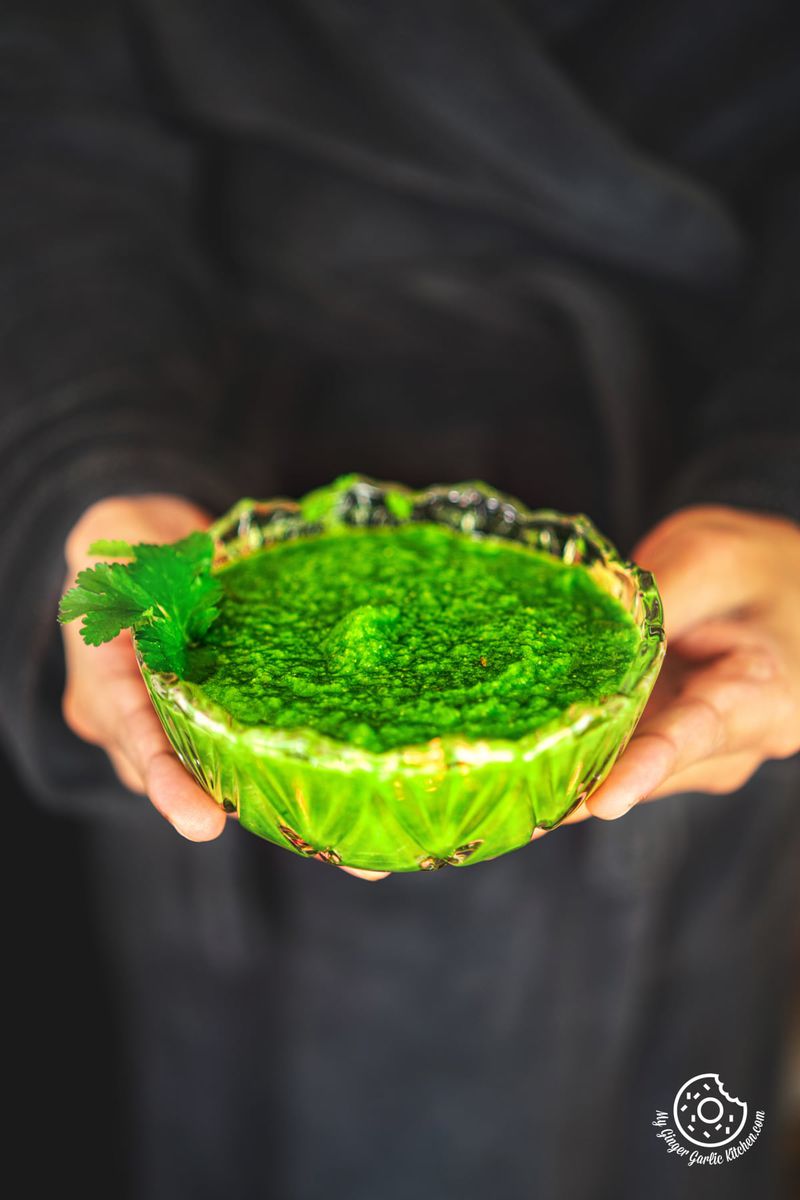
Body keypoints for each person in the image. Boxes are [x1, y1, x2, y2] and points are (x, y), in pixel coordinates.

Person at [3, 2, 799, 1197]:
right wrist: (101, 462)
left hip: (699, 568)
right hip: (217, 446)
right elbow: (49, 119)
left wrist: (781, 485)